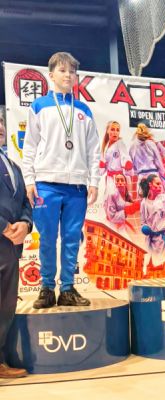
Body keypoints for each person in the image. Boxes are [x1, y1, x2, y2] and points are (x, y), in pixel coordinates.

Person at [22, 52, 101, 308]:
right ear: (51, 75)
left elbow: (94, 150)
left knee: (71, 238)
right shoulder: (39, 106)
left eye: (72, 72)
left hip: (77, 186)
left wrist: (94, 181)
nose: (68, 75)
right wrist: (29, 180)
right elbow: (30, 146)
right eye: (63, 70)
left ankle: (67, 288)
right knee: (47, 237)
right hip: (46, 183)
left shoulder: (84, 110)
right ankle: (47, 288)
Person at [0, 107, 32, 378]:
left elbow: (24, 203)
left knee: (5, 307)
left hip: (10, 248)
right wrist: (3, 226)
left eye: (0, 122)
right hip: (4, 236)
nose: (0, 127)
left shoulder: (14, 166)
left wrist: (25, 224)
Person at [129, 123, 165, 195]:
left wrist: (138, 172)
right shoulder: (151, 143)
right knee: (158, 197)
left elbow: (132, 165)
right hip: (153, 175)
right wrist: (162, 171)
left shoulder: (132, 146)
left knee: (144, 198)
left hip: (141, 176)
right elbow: (158, 160)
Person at [139, 174, 165, 257]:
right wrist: (144, 228)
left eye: (161, 184)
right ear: (150, 185)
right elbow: (143, 222)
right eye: (157, 184)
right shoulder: (144, 203)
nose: (160, 186)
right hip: (152, 241)